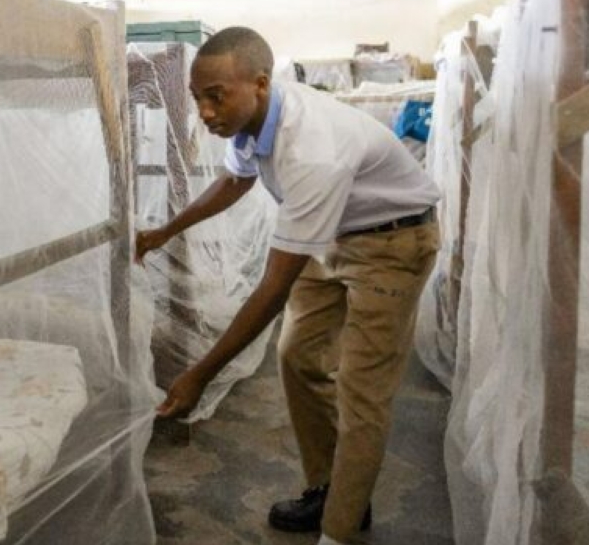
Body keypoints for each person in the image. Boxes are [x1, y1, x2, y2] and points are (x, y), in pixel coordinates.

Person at [135, 27, 440, 545]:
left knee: (362, 391)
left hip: (393, 243)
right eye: (198, 98)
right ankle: (330, 487)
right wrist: (167, 230)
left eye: (217, 97)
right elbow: (236, 180)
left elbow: (272, 290)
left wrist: (201, 375)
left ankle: (340, 531)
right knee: (297, 356)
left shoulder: (311, 149)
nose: (206, 112)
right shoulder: (253, 122)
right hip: (335, 233)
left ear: (257, 84)